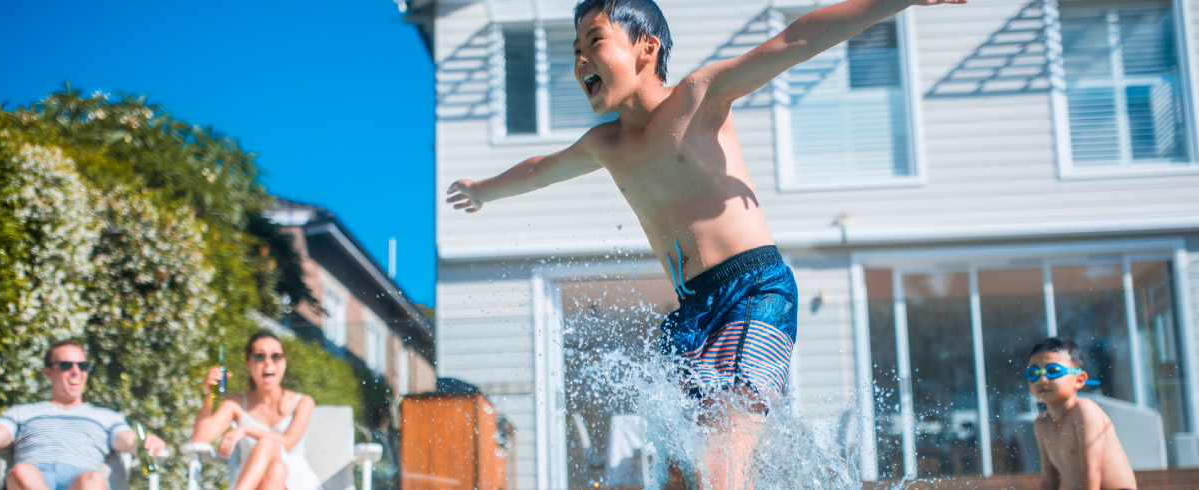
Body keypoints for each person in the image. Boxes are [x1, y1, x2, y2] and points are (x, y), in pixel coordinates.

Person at [445, 0, 964, 486]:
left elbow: (794, 40)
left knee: (721, 454)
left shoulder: (698, 96)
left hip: (753, 291)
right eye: (575, 49)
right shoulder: (606, 144)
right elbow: (543, 168)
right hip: (693, 311)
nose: (580, 58)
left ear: (646, 48)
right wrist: (484, 191)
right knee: (678, 473)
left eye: (595, 40)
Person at [0, 340, 166, 490]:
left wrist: (143, 442)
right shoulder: (24, 413)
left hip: (80, 481)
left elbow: (127, 439)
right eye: (66, 365)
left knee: (93, 479)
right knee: (22, 472)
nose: (76, 372)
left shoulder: (106, 417)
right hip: (32, 479)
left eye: (82, 366)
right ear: (49, 373)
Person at [190, 331, 321, 490]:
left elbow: (287, 443)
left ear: (284, 362)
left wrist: (245, 429)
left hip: (294, 480)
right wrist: (209, 395)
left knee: (271, 453)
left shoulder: (302, 402)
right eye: (259, 356)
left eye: (276, 356)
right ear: (248, 363)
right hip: (252, 481)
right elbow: (200, 440)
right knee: (275, 470)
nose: (268, 362)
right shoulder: (237, 404)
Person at [1027, 337, 1137, 490]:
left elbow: (1091, 472)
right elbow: (1049, 481)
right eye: (1033, 373)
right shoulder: (1042, 424)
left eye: (1053, 371)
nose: (1042, 379)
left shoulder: (1084, 411)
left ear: (1079, 380)